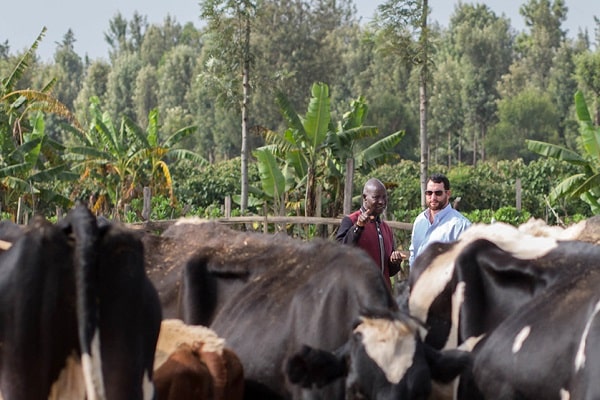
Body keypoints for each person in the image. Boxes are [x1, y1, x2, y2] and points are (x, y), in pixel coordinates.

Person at [336, 178, 404, 291]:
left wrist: (394, 262)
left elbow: (389, 271)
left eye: (384, 197)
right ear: (365, 198)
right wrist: (358, 227)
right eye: (376, 197)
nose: (382, 201)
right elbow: (339, 253)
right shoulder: (351, 221)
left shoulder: (386, 228)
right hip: (358, 296)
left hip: (382, 297)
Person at [408, 173, 471, 268]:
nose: (433, 198)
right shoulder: (420, 220)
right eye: (429, 193)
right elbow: (413, 254)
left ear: (448, 194)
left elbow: (467, 263)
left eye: (438, 193)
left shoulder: (461, 226)